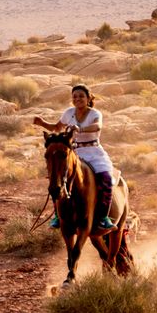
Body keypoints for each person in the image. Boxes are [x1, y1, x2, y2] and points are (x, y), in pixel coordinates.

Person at [32, 83, 118, 230]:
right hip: (74, 153)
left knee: (106, 178)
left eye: (81, 96)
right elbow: (56, 128)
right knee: (56, 179)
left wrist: (80, 128)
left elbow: (97, 126)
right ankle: (58, 216)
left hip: (94, 152)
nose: (78, 99)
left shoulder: (95, 114)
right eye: (75, 96)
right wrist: (42, 123)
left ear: (88, 98)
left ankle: (103, 217)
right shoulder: (69, 112)